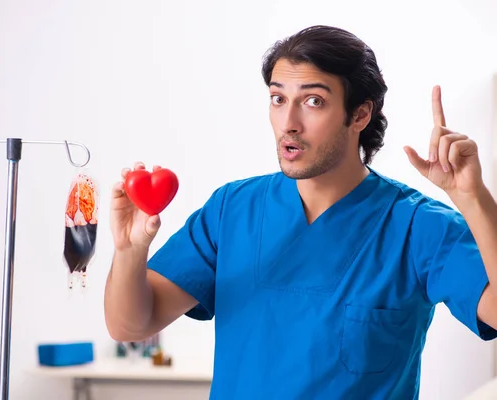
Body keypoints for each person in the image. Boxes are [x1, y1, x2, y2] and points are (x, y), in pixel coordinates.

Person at [103, 25, 497, 399]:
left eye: (313, 101)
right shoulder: (231, 211)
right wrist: (129, 250)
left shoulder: (417, 226)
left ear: (360, 115)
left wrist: (473, 198)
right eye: (278, 99)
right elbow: (130, 324)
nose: (288, 124)